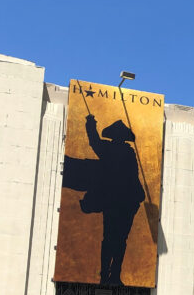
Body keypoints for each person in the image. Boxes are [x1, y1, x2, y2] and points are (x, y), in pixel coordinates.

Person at [62, 114, 146, 285]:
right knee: (115, 239)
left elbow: (94, 141)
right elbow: (94, 142)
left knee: (115, 239)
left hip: (122, 201)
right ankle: (108, 274)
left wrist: (91, 124)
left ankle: (111, 274)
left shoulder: (119, 151)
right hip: (119, 201)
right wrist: (91, 125)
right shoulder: (119, 150)